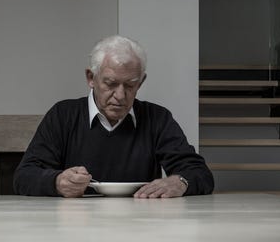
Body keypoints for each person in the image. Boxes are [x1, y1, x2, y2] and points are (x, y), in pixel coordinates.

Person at [14, 35, 213, 198]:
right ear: (91, 78)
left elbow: (200, 173)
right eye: (110, 83)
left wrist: (180, 182)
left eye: (130, 85)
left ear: (141, 82)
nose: (120, 96)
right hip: (74, 228)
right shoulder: (62, 115)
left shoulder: (157, 118)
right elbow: (23, 176)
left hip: (142, 225)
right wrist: (57, 182)